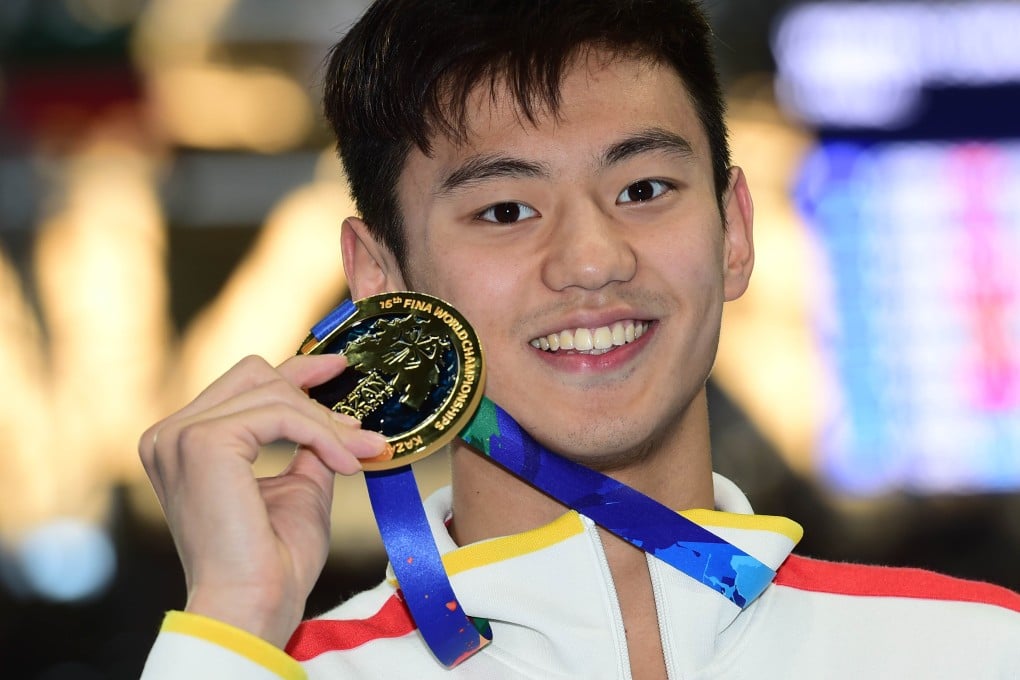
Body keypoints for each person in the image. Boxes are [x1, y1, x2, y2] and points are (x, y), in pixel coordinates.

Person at [138, 1, 1020, 678]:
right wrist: (233, 619)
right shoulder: (276, 668)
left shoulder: (974, 651)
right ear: (381, 280)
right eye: (505, 210)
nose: (593, 261)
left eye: (643, 189)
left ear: (736, 230)